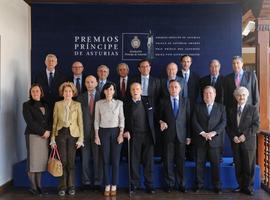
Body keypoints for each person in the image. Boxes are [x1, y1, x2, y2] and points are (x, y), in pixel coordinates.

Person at [50, 82, 84, 196]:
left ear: (73, 93)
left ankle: (71, 186)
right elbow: (54, 123)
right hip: (60, 134)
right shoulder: (57, 104)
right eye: (65, 91)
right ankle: (62, 187)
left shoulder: (77, 104)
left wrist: (81, 139)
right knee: (62, 162)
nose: (68, 93)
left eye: (70, 91)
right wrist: (53, 138)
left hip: (73, 135)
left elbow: (80, 123)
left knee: (71, 162)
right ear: (62, 93)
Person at [192, 86, 226, 194]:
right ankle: (199, 185)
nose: (208, 95)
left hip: (215, 141)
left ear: (215, 95)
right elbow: (194, 121)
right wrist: (203, 133)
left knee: (215, 165)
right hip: (200, 140)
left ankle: (217, 186)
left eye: (210, 93)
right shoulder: (197, 107)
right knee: (199, 164)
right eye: (206, 93)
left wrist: (213, 133)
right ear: (203, 95)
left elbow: (223, 123)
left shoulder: (221, 107)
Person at [226, 86, 259, 196]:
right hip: (236, 142)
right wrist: (233, 136)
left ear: (247, 96)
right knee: (239, 165)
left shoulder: (253, 109)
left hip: (248, 143)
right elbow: (228, 127)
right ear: (236, 97)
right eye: (239, 95)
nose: (241, 97)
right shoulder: (231, 110)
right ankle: (241, 186)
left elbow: (256, 126)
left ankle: (248, 187)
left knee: (249, 166)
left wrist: (245, 135)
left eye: (244, 95)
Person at [159, 80, 191, 193]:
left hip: (182, 136)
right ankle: (169, 184)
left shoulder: (186, 101)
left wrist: (188, 136)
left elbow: (188, 120)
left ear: (180, 88)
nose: (173, 89)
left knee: (181, 161)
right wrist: (161, 122)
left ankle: (181, 184)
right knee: (168, 161)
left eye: (176, 87)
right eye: (171, 87)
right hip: (168, 136)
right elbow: (158, 117)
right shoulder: (163, 101)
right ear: (168, 89)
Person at [124, 82, 156, 194]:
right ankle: (134, 184)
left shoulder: (148, 101)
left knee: (149, 162)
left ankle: (149, 185)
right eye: (133, 89)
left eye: (137, 89)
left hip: (148, 135)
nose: (135, 91)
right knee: (134, 161)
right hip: (134, 136)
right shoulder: (126, 103)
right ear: (130, 91)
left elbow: (155, 116)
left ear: (141, 90)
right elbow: (122, 120)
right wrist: (125, 131)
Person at [94, 82, 125, 196]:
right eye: (107, 89)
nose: (109, 91)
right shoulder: (99, 103)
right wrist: (96, 135)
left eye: (111, 89)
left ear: (114, 91)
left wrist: (121, 133)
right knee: (105, 160)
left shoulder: (119, 103)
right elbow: (96, 120)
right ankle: (107, 184)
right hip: (103, 132)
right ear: (104, 91)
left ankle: (114, 185)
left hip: (116, 132)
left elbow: (122, 118)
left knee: (115, 161)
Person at [22, 84, 51, 195]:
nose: (35, 93)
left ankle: (39, 187)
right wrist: (42, 132)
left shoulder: (46, 104)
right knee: (32, 163)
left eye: (37, 91)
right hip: (33, 135)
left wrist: (47, 131)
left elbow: (49, 120)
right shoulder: (26, 105)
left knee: (40, 162)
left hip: (45, 136)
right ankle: (33, 188)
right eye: (33, 91)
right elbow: (30, 122)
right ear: (30, 93)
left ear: (41, 92)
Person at [77, 75, 103, 190]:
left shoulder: (102, 96)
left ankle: (98, 182)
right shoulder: (80, 97)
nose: (89, 84)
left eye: (92, 82)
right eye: (87, 82)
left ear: (96, 83)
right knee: (85, 158)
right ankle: (86, 182)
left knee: (98, 158)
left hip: (98, 133)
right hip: (84, 133)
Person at [177, 55, 200, 161]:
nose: (186, 63)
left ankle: (191, 154)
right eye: (184, 61)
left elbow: (198, 93)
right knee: (181, 128)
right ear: (181, 63)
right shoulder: (176, 75)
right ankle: (182, 154)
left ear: (191, 63)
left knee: (192, 128)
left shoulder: (196, 76)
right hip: (179, 108)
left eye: (188, 61)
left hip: (193, 108)